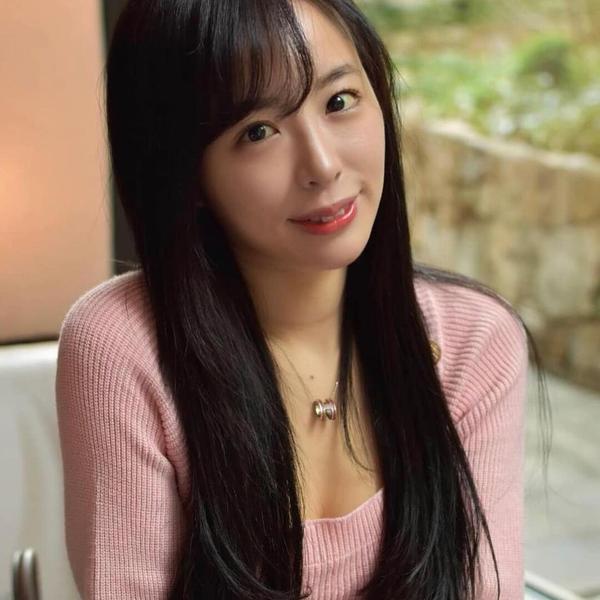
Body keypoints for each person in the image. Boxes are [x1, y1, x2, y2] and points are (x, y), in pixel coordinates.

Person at [54, 0, 549, 598]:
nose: (322, 165)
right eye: (258, 132)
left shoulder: (473, 341)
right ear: (186, 171)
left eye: (339, 101)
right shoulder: (123, 349)